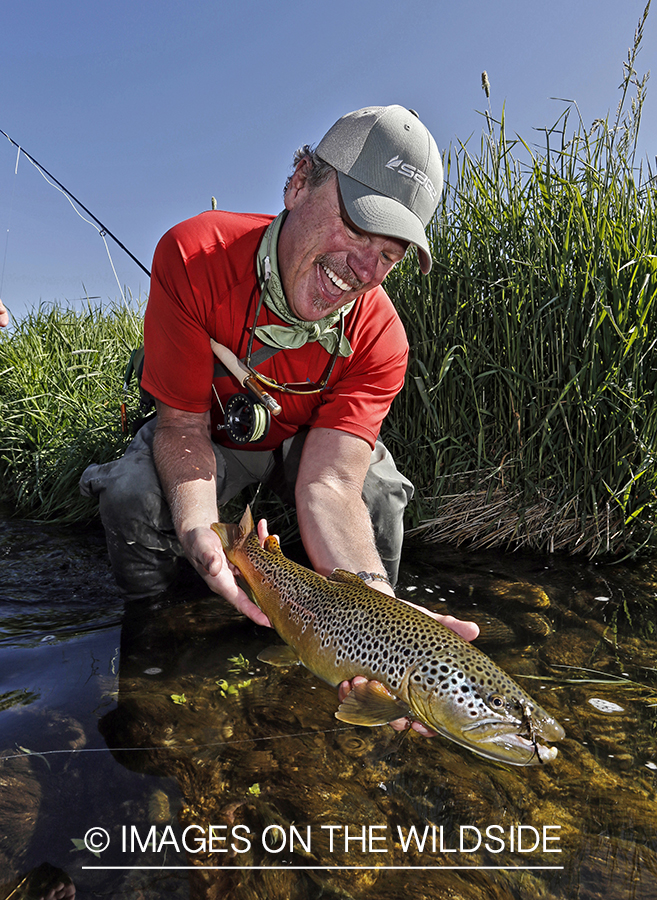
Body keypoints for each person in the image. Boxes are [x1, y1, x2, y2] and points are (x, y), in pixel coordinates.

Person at [79, 105, 478, 734]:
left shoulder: (383, 337)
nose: (366, 271)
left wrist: (380, 614)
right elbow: (180, 428)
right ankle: (157, 644)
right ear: (299, 184)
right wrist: (199, 535)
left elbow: (332, 482)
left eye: (391, 254)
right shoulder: (194, 255)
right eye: (359, 227)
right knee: (133, 497)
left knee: (380, 498)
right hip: (210, 434)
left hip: (312, 448)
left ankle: (351, 660)